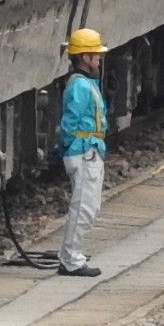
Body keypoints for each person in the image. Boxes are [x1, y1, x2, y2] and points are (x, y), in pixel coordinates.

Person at [56, 27, 108, 277]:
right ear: (85, 58)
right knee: (84, 206)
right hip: (85, 151)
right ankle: (71, 260)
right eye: (96, 55)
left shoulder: (85, 83)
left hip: (89, 150)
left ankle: (72, 255)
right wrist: (73, 148)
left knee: (89, 205)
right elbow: (70, 122)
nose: (99, 59)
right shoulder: (80, 86)